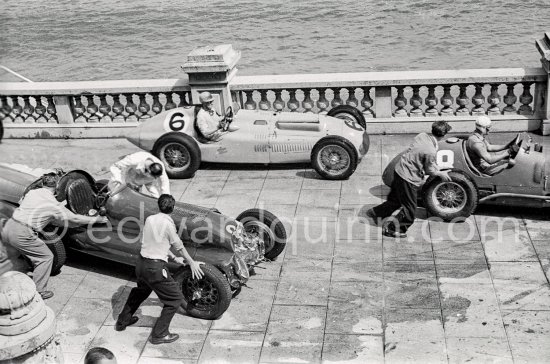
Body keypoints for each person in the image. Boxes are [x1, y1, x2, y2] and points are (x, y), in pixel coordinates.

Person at [0, 173, 108, 299]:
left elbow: (22, 202)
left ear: (42, 183)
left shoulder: (32, 192)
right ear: (57, 187)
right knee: (45, 257)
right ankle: (39, 291)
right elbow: (75, 219)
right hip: (22, 232)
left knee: (10, 256)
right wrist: (97, 220)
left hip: (10, 225)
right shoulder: (53, 205)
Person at [115, 194, 203, 345]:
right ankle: (159, 334)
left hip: (141, 264)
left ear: (158, 205)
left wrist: (174, 259)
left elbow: (155, 242)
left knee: (141, 291)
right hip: (154, 269)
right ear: (173, 208)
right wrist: (192, 262)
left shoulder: (150, 219)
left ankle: (123, 320)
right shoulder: (168, 225)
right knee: (174, 300)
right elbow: (179, 246)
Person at [368, 121, 453, 238]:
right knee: (410, 210)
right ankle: (392, 229)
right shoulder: (431, 151)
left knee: (396, 200)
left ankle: (376, 213)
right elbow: (429, 170)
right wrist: (440, 173)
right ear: (444, 135)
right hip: (408, 178)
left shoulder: (422, 135)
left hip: (399, 170)